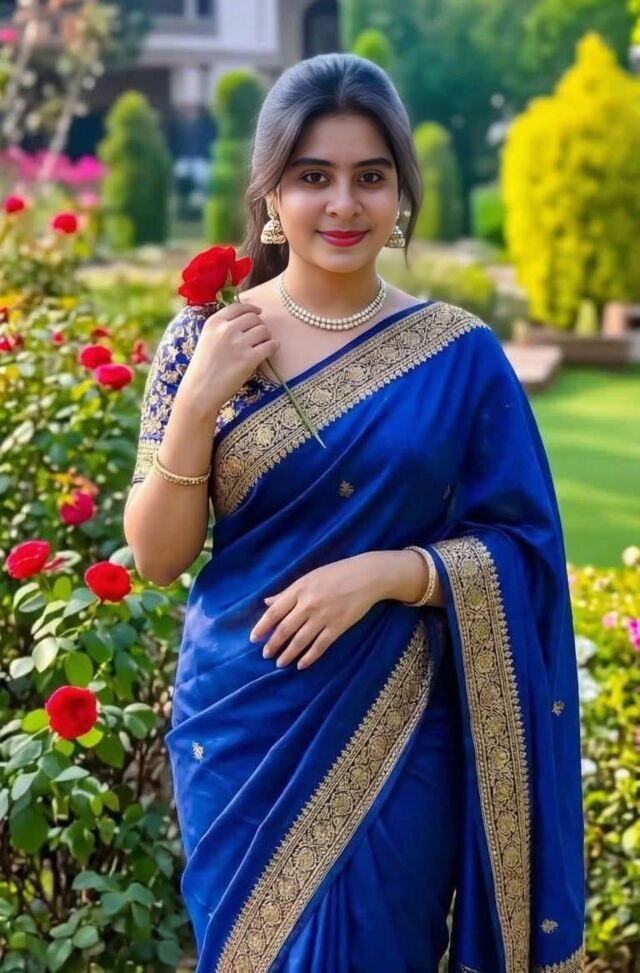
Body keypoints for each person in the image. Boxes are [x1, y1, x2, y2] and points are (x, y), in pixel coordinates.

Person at [123, 53, 586, 973]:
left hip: (400, 724)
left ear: (401, 193)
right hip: (242, 725)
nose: (343, 204)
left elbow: (524, 550)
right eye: (313, 177)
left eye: (370, 177)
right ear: (271, 195)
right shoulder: (204, 340)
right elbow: (158, 557)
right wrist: (198, 399)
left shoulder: (458, 355)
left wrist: (388, 573)